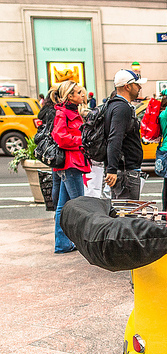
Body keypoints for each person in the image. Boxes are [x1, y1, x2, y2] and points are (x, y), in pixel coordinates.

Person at [51, 80, 90, 253]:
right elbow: (60, 137)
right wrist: (82, 141)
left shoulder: (69, 112)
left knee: (64, 205)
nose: (81, 94)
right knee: (78, 205)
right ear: (70, 96)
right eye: (77, 92)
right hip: (70, 163)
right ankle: (77, 242)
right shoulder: (63, 113)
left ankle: (63, 243)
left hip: (71, 162)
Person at [104, 69, 147, 200]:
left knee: (121, 213)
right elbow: (115, 137)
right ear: (127, 87)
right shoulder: (122, 108)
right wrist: (112, 169)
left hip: (123, 170)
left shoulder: (114, 105)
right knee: (127, 215)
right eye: (137, 84)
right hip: (125, 172)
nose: (139, 87)